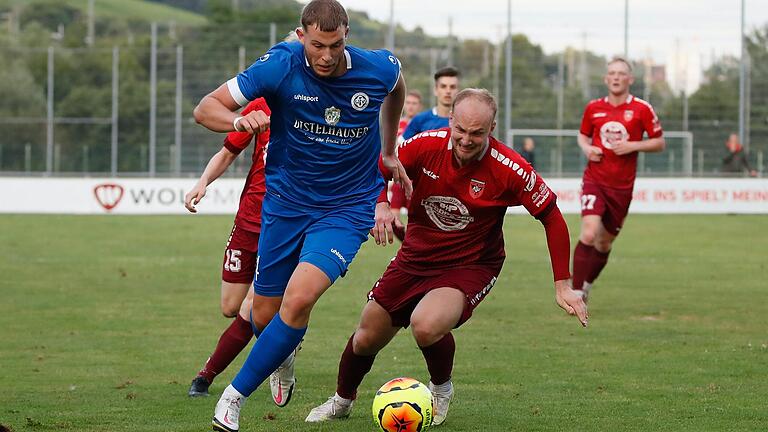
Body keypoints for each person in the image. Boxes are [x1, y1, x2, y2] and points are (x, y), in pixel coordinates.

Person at [305, 89, 588, 426]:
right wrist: (381, 203)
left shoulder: (509, 167)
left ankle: (441, 389)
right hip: (415, 256)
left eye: (477, 133)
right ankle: (341, 401)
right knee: (366, 335)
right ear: (450, 120)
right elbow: (380, 167)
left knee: (426, 325)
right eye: (461, 130)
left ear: (492, 128)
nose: (467, 140)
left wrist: (563, 285)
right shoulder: (424, 145)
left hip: (470, 264)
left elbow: (552, 216)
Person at [192, 1, 409, 431]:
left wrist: (388, 150)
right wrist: (240, 120)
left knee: (300, 298)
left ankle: (232, 400)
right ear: (300, 35)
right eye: (316, 45)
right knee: (264, 315)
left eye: (335, 44)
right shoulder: (279, 65)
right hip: (286, 204)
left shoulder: (378, 67)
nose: (326, 56)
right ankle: (284, 356)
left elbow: (397, 86)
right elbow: (205, 109)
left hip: (347, 209)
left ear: (347, 34)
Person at [183, 98, 298, 408]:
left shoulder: (318, 110)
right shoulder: (260, 106)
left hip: (284, 224)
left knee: (252, 307)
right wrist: (202, 182)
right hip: (248, 220)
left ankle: (205, 376)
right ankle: (284, 343)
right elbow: (227, 153)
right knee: (230, 306)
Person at [572, 58, 665, 303]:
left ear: (630, 79)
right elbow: (582, 136)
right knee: (590, 233)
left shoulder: (642, 109)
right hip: (595, 179)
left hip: (622, 187)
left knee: (604, 243)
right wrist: (587, 149)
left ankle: (587, 284)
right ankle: (576, 292)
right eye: (611, 73)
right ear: (605, 79)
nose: (615, 77)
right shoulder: (593, 108)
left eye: (621, 73)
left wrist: (633, 145)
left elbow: (659, 142)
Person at [390, 67, 461, 241]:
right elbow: (400, 151)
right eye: (443, 86)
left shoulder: (464, 121)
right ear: (436, 90)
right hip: (422, 189)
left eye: (452, 87)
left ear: (458, 90)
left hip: (456, 191)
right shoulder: (421, 121)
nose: (448, 91)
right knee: (407, 228)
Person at [389, 90, 423, 241]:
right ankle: (406, 246)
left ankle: (412, 247)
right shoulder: (395, 124)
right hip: (398, 178)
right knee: (393, 217)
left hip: (416, 179)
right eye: (408, 103)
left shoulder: (423, 124)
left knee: (416, 219)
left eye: (414, 103)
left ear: (419, 106)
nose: (410, 106)